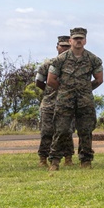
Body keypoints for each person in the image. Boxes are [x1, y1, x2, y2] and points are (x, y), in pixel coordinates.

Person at [47, 27, 104, 170]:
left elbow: (99, 79)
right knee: (61, 131)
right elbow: (51, 80)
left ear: (85, 41)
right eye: (76, 39)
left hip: (85, 102)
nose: (78, 41)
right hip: (65, 101)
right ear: (70, 40)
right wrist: (65, 90)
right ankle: (54, 161)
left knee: (85, 131)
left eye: (81, 38)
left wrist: (84, 90)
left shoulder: (93, 59)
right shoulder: (60, 60)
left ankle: (86, 161)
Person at [35, 35, 75, 167]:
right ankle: (43, 159)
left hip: (68, 103)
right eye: (61, 46)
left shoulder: (74, 64)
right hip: (50, 103)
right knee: (46, 131)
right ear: (57, 47)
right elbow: (39, 82)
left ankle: (68, 158)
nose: (64, 48)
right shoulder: (48, 64)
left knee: (67, 131)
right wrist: (49, 91)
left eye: (67, 46)